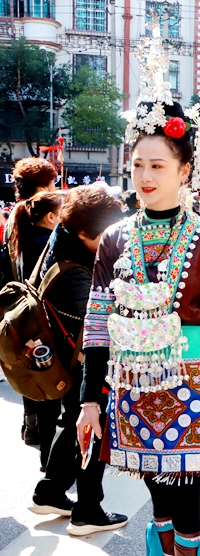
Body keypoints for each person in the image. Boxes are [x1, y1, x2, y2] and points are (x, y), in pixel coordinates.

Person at [77, 42, 200, 554]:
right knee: (160, 502)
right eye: (137, 166)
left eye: (157, 166)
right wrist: (89, 398)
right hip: (131, 384)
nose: (145, 177)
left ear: (184, 170)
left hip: (196, 379)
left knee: (191, 504)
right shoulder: (114, 237)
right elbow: (97, 322)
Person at [29, 186, 128, 534]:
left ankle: (51, 491)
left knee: (73, 420)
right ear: (84, 232)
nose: (113, 238)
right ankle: (87, 510)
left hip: (64, 359)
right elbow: (97, 325)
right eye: (105, 233)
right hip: (81, 362)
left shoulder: (61, 242)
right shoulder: (76, 271)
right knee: (92, 426)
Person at [10, 191, 64, 457]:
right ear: (51, 216)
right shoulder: (49, 242)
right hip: (45, 321)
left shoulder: (22, 237)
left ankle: (38, 438)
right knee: (52, 391)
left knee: (37, 384)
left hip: (26, 319)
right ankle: (50, 456)